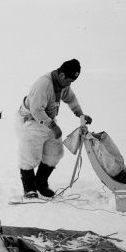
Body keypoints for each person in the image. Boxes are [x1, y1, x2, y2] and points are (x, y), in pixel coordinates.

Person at [17, 59, 92, 199]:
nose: (69, 85)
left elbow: (71, 99)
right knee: (30, 156)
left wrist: (80, 114)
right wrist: (52, 126)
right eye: (69, 81)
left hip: (46, 120)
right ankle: (29, 189)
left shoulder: (62, 84)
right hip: (31, 120)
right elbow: (36, 110)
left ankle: (40, 183)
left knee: (55, 153)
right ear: (62, 75)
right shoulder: (43, 85)